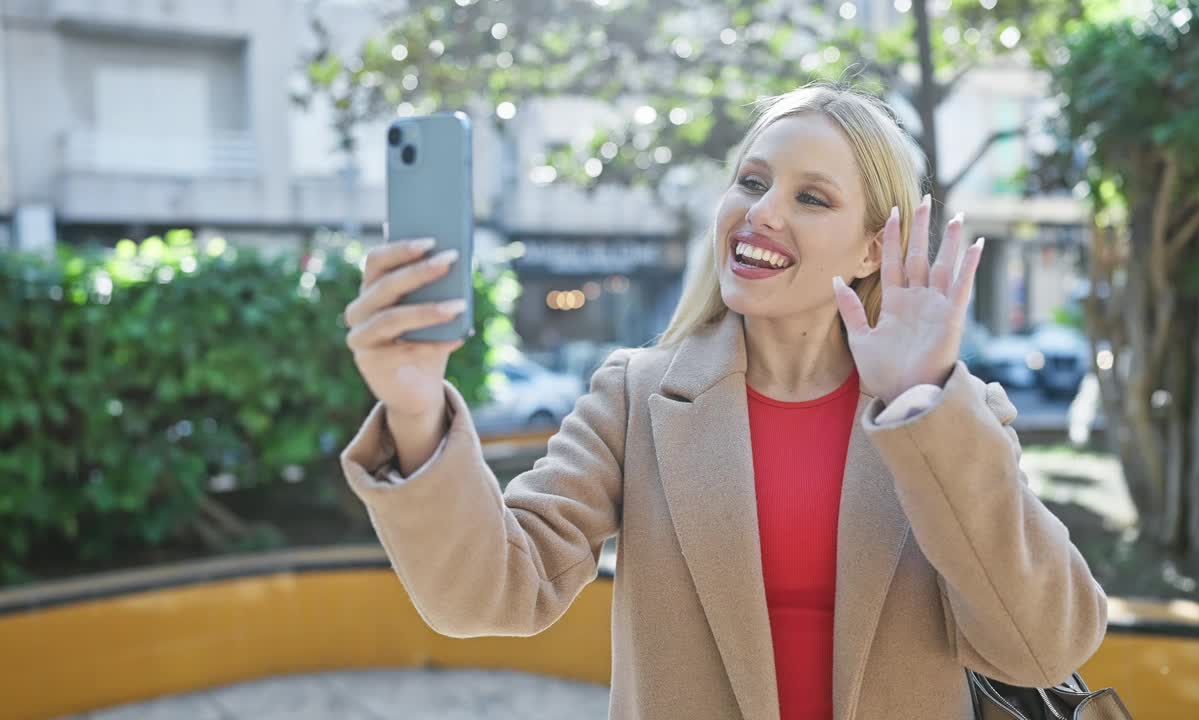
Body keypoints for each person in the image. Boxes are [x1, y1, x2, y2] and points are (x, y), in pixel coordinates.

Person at [339, 82, 1108, 720]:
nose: (763, 211)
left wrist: (921, 403)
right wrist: (414, 412)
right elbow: (490, 593)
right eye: (751, 180)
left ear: (874, 247)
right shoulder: (637, 398)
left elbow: (1043, 644)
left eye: (811, 196)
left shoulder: (950, 416)